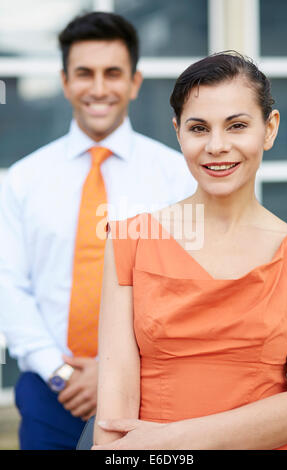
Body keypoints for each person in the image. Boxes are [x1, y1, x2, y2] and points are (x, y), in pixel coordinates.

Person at [0, 12, 196, 450]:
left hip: (152, 388)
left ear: (135, 81)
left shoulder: (176, 176)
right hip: (52, 390)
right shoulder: (25, 180)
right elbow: (8, 285)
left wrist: (115, 374)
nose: (99, 88)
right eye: (85, 73)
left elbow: (185, 289)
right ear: (65, 81)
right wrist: (62, 372)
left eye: (113, 73)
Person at [92, 51, 287, 450]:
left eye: (237, 126)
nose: (217, 146)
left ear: (269, 129)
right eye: (199, 128)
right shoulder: (130, 241)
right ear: (178, 132)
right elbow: (114, 415)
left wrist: (172, 441)